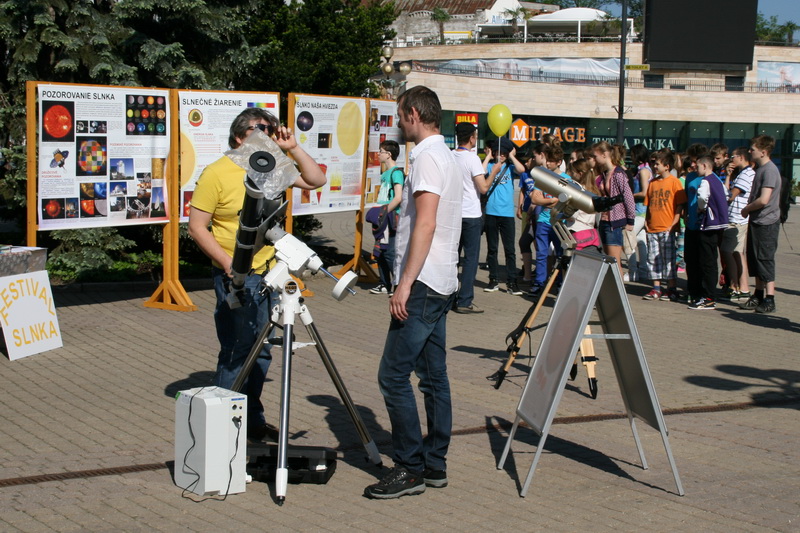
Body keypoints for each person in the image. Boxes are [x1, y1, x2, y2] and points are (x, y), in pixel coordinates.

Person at [187, 108, 326, 441]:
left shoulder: (271, 166)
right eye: (260, 128)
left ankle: (250, 420)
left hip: (268, 273)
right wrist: (226, 261)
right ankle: (221, 432)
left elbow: (316, 180)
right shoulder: (217, 173)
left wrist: (292, 147)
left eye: (270, 128)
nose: (268, 133)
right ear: (240, 136)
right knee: (237, 351)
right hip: (236, 275)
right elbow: (196, 226)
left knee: (261, 351)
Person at [364, 86, 462, 499]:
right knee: (433, 376)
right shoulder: (447, 156)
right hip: (440, 279)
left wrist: (403, 284)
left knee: (392, 375)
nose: (399, 121)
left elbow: (425, 224)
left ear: (415, 115)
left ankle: (409, 468)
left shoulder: (426, 158)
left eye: (401, 114)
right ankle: (434, 463)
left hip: (423, 283)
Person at [739, 135, 782, 314]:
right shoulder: (761, 169)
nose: (750, 151)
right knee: (755, 259)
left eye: (753, 149)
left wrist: (747, 208)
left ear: (763, 152)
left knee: (765, 258)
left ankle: (769, 298)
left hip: (767, 222)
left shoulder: (770, 170)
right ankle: (758, 295)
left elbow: (764, 199)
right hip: (758, 221)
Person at [452, 122, 488, 313]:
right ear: (472, 138)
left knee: (452, 258)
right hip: (471, 214)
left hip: (454, 213)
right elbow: (483, 187)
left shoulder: (451, 155)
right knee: (471, 259)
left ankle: (448, 296)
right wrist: (494, 173)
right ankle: (465, 300)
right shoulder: (472, 158)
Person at [641, 150, 686, 302]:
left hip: (667, 227)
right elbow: (648, 204)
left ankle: (671, 288)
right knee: (653, 258)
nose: (654, 166)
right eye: (654, 163)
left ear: (667, 166)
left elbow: (680, 205)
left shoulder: (675, 182)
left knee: (668, 259)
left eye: (657, 164)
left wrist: (674, 222)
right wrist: (647, 222)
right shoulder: (653, 183)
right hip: (653, 227)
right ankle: (656, 288)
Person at [482, 138, 525, 295]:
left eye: (503, 154)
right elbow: (480, 171)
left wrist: (512, 156)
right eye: (497, 153)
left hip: (507, 213)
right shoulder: (491, 166)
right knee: (492, 249)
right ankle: (493, 280)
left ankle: (511, 282)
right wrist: (487, 156)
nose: (500, 156)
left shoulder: (510, 166)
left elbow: (522, 170)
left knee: (510, 250)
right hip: (491, 212)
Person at [688, 155, 729, 310]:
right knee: (711, 259)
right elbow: (726, 194)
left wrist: (701, 208)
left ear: (705, 166)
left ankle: (709, 297)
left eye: (697, 166)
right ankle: (709, 295)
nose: (696, 169)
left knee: (707, 261)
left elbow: (702, 197)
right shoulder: (718, 180)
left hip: (709, 224)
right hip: (719, 224)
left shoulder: (706, 181)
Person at [592, 141, 636, 279]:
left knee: (614, 261)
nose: (595, 160)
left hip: (614, 221)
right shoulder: (606, 173)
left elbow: (628, 196)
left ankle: (619, 294)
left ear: (604, 155)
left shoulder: (618, 174)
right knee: (609, 260)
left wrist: (630, 220)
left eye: (595, 156)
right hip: (605, 220)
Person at [369, 140, 404, 295]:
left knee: (389, 251)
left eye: (381, 151)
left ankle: (398, 284)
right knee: (381, 251)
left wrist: (383, 213)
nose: (378, 154)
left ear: (388, 154)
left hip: (390, 217)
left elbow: (398, 197)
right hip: (383, 215)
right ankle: (384, 283)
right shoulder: (385, 174)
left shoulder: (396, 172)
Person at [720, 146, 754, 301]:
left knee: (734, 252)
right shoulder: (741, 174)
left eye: (733, 157)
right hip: (733, 219)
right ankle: (736, 286)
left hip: (738, 220)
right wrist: (728, 176)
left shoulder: (746, 174)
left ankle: (740, 286)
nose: (731, 160)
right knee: (732, 252)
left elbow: (730, 196)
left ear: (740, 157)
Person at [626, 143, 652, 282]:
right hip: (642, 211)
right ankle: (643, 270)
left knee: (628, 240)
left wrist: (629, 195)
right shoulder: (645, 169)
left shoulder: (643, 171)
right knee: (641, 242)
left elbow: (645, 192)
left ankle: (633, 272)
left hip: (639, 211)